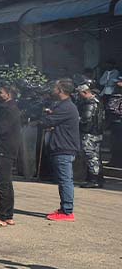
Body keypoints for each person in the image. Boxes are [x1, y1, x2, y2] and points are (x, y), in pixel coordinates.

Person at [41, 79, 81, 222]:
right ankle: (65, 208)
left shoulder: (67, 107)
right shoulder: (64, 106)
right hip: (62, 146)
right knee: (64, 180)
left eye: (56, 88)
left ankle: (67, 211)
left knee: (65, 180)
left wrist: (46, 116)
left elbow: (47, 122)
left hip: (64, 148)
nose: (53, 90)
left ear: (62, 91)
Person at [0, 84, 22, 227]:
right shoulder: (8, 108)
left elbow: (1, 128)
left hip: (5, 149)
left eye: (0, 93)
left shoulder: (9, 109)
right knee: (7, 183)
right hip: (8, 148)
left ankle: (2, 216)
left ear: (8, 94)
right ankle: (8, 215)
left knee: (2, 183)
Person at [76, 82, 105, 189]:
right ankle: (97, 178)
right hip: (97, 133)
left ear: (85, 92)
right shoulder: (98, 101)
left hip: (90, 133)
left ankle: (94, 179)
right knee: (95, 156)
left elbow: (86, 119)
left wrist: (76, 119)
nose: (79, 96)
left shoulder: (90, 103)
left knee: (91, 156)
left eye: (80, 93)